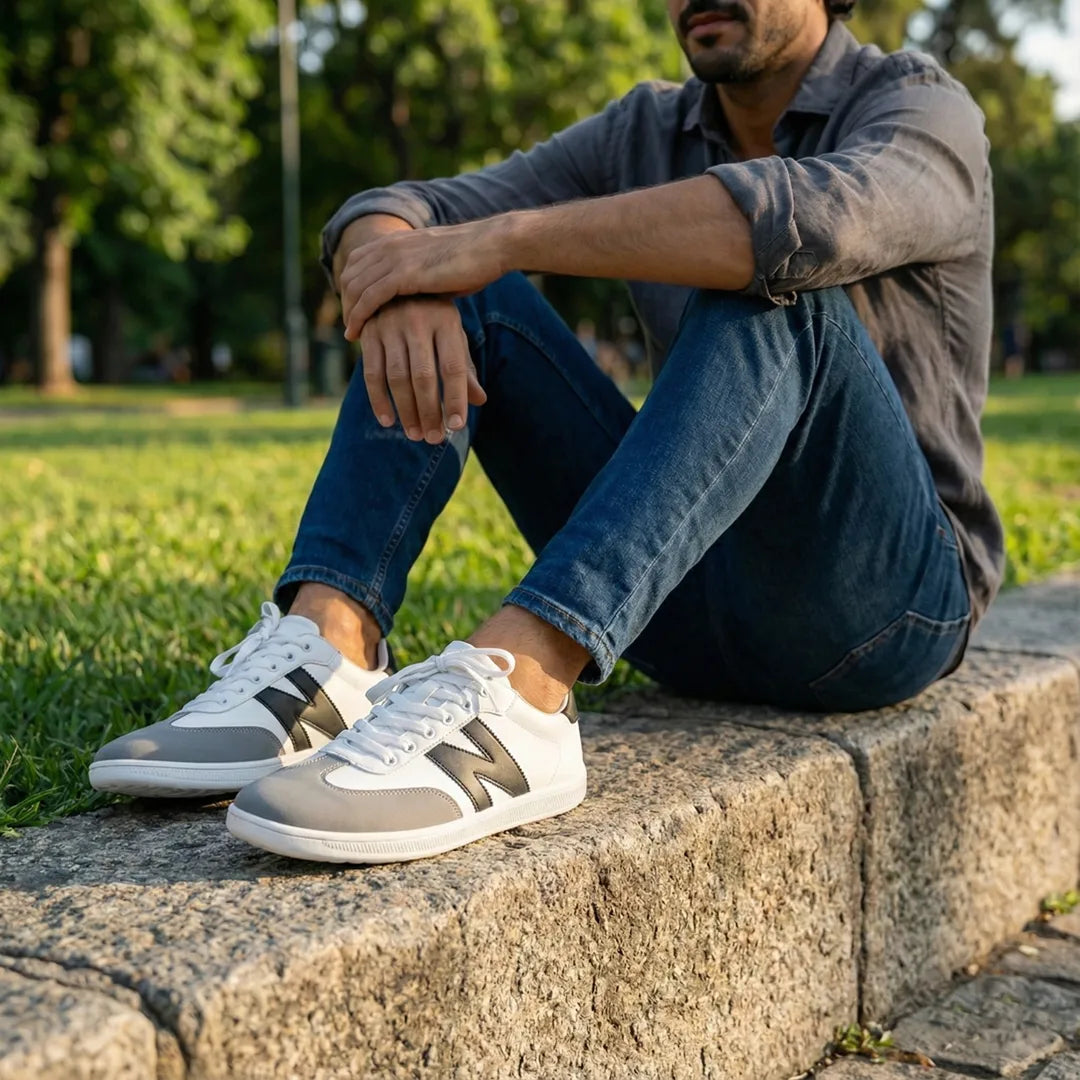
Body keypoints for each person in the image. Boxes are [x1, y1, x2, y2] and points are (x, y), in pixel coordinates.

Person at [90, 0, 1002, 864]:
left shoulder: (922, 109)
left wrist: (491, 240)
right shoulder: (649, 126)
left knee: (777, 291)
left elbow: (798, 222)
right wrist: (412, 275)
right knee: (462, 285)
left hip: (885, 607)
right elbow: (396, 207)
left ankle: (520, 699)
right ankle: (327, 652)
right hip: (679, 605)